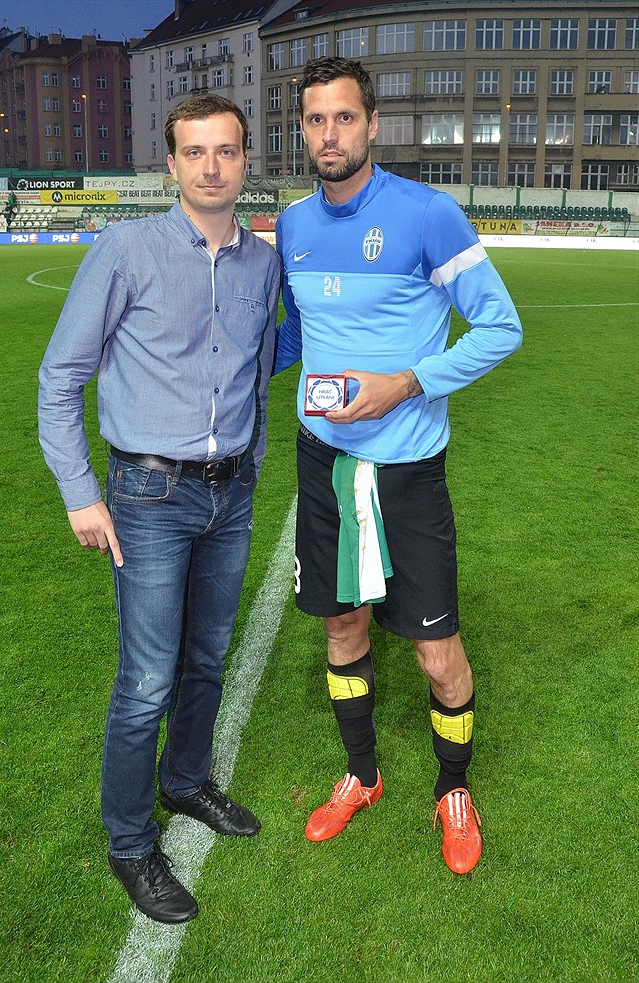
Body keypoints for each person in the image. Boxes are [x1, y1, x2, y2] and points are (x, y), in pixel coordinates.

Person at [274, 57, 522, 875]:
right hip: (323, 465)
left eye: (345, 117)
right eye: (316, 120)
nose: (330, 134)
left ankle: (454, 786)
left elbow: (501, 327)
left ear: (373, 123)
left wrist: (407, 382)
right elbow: (297, 333)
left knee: (435, 649)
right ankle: (362, 773)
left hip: (407, 472)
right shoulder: (294, 225)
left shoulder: (426, 214)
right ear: (302, 128)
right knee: (341, 627)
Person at [38, 94, 281, 922]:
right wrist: (81, 493)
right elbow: (59, 377)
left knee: (206, 658)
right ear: (171, 164)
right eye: (195, 152)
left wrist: (251, 465)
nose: (212, 167)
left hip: (231, 492)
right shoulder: (126, 248)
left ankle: (185, 782)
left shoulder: (261, 265)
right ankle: (130, 842)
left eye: (227, 151)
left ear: (245, 160)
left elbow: (257, 370)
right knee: (146, 679)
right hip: (148, 495)